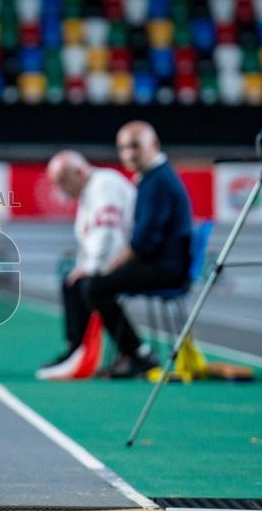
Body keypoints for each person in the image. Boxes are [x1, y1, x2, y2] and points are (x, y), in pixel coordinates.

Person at [83, 121, 193, 379]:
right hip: (159, 263)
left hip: (166, 269)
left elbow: (143, 243)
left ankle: (137, 355)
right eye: (123, 148)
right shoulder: (152, 178)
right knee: (93, 282)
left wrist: (109, 267)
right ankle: (129, 353)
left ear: (154, 145)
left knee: (95, 286)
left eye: (135, 146)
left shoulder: (158, 181)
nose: (129, 154)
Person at [36, 150, 136, 380]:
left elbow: (107, 233)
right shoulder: (89, 192)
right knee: (72, 282)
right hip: (116, 258)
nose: (61, 188)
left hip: (128, 258)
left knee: (85, 285)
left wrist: (91, 267)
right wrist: (84, 265)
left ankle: (129, 351)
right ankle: (76, 348)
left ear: (79, 172)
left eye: (63, 181)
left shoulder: (103, 185)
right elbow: (90, 239)